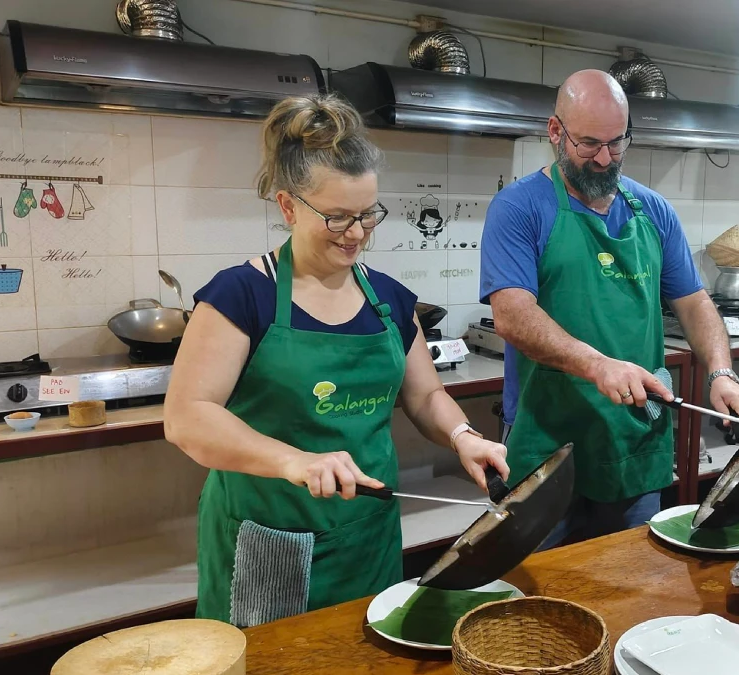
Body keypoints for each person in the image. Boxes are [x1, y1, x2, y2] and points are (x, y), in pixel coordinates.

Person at [164, 94, 509, 627]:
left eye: (368, 214)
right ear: (288, 207)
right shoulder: (241, 296)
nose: (356, 233)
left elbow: (424, 395)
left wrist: (466, 437)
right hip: (269, 538)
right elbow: (188, 417)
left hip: (367, 536)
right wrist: (294, 462)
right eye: (338, 218)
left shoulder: (391, 299)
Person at [480, 70, 739, 548]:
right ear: (555, 132)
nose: (605, 158)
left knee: (631, 578)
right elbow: (512, 315)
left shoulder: (654, 211)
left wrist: (721, 372)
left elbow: (693, 302)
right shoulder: (519, 207)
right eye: (589, 144)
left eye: (617, 143)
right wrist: (597, 365)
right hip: (548, 443)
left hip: (633, 439)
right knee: (543, 597)